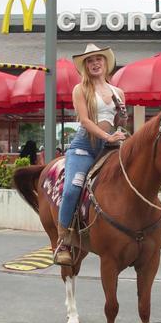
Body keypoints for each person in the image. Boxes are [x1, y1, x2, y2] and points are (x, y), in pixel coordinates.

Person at [54, 43, 127, 266]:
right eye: (90, 61)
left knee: (136, 176)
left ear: (106, 64)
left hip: (110, 148)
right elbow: (85, 121)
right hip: (84, 148)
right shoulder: (81, 89)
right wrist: (108, 138)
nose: (95, 63)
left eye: (99, 59)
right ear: (86, 66)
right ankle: (64, 241)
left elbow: (119, 123)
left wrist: (122, 119)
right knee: (71, 190)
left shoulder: (118, 92)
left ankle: (149, 230)